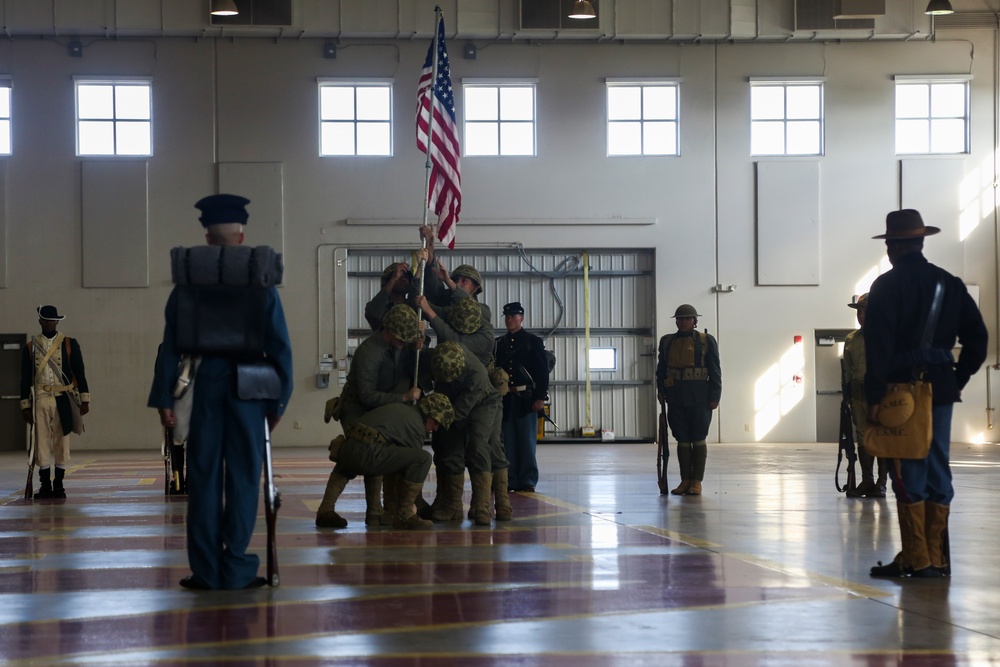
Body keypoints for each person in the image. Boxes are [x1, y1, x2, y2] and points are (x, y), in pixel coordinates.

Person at [148, 193, 294, 591]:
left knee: (203, 477)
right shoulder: (260, 281)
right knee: (246, 478)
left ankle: (206, 571)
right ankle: (238, 568)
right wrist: (279, 401)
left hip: (206, 384)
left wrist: (165, 397)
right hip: (252, 386)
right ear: (242, 237)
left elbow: (171, 345)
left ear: (208, 240)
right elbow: (280, 345)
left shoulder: (188, 284)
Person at [865, 209, 987, 579]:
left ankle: (918, 558)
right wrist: (957, 378)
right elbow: (978, 339)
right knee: (937, 464)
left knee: (906, 466)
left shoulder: (886, 286)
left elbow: (878, 347)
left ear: (895, 246)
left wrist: (873, 395)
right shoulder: (949, 283)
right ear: (920, 243)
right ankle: (935, 557)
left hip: (901, 392)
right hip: (942, 389)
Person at [318, 303, 427, 528]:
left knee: (377, 453)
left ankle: (376, 513)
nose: (403, 344)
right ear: (389, 331)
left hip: (381, 407)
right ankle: (332, 510)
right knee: (357, 452)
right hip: (358, 408)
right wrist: (403, 398)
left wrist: (419, 347)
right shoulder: (369, 352)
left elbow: (406, 363)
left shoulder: (397, 345)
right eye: (401, 339)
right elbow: (367, 396)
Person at [319, 393, 455, 530]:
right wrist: (413, 505)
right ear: (428, 413)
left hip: (346, 449)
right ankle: (405, 516)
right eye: (436, 422)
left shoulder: (399, 409)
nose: (436, 428)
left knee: (363, 457)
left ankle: (326, 511)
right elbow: (406, 471)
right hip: (368, 456)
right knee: (423, 458)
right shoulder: (416, 427)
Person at [427, 341, 501, 525]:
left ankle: (482, 507)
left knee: (478, 446)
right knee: (449, 446)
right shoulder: (441, 357)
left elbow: (460, 411)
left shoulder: (476, 375)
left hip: (482, 403)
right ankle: (452, 507)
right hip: (452, 403)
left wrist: (437, 420)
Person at [21, 305, 90, 499]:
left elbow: (80, 372)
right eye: (46, 320)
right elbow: (25, 379)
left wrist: (84, 399)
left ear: (57, 322)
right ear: (40, 322)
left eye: (53, 320)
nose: (50, 323)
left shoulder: (69, 343)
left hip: (63, 399)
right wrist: (25, 405)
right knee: (41, 443)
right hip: (40, 400)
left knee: (62, 441)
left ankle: (58, 485)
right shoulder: (31, 346)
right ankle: (45, 486)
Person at [655, 304, 722, 496]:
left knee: (698, 438)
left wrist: (715, 396)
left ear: (695, 321)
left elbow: (715, 370)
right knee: (682, 439)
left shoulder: (706, 340)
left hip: (700, 397)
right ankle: (685, 480)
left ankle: (696, 482)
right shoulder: (667, 342)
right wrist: (661, 390)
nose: (683, 322)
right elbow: (661, 370)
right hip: (675, 396)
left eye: (687, 318)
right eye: (680, 319)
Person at [495, 302, 549, 493]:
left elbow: (542, 372)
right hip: (506, 399)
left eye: (514, 316)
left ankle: (528, 479)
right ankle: (511, 479)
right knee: (508, 442)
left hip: (526, 399)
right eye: (507, 317)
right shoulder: (499, 344)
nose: (510, 320)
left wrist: (540, 397)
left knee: (526, 442)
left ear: (522, 318)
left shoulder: (532, 341)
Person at [841, 293, 886, 498]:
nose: (861, 315)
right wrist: (847, 396)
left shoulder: (886, 336)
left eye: (865, 311)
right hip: (858, 395)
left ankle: (881, 483)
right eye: (859, 311)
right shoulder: (851, 339)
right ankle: (866, 480)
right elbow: (847, 370)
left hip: (881, 395)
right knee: (862, 438)